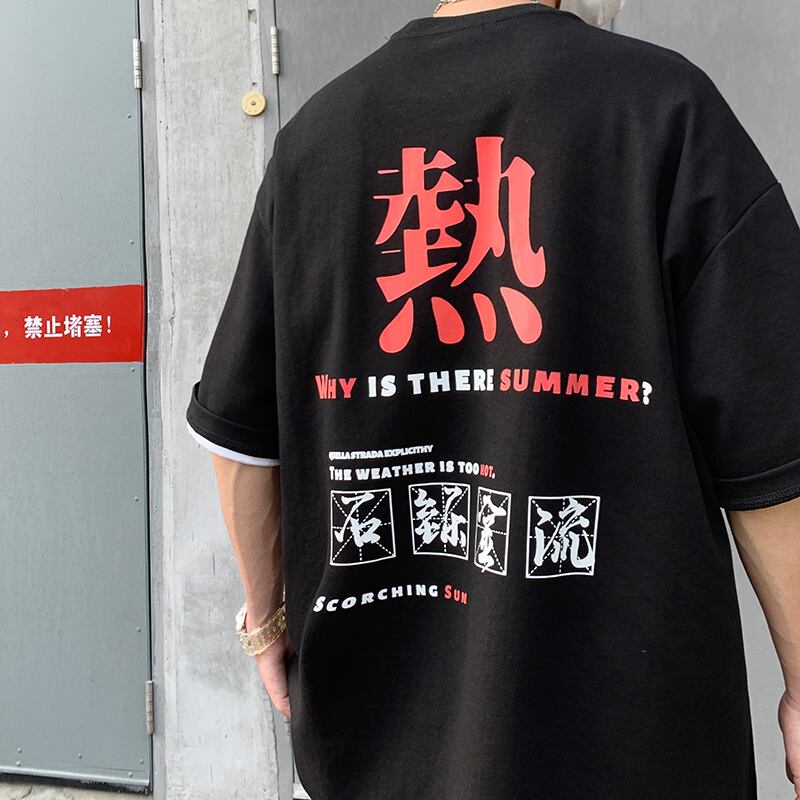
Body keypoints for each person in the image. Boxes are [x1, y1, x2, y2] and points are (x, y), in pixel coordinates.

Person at [185, 0, 800, 797]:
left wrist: (266, 621)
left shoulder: (316, 139)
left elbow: (239, 441)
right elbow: (774, 450)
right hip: (629, 743)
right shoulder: (663, 109)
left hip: (375, 747)